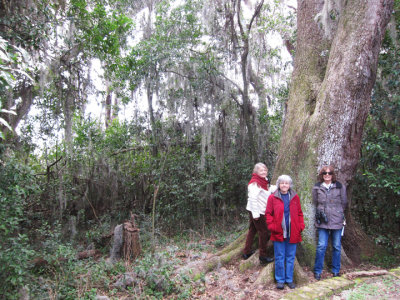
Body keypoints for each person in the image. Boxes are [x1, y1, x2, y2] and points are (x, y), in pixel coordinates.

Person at [266, 175, 305, 290]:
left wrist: (300, 226)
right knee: (279, 256)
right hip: (278, 232)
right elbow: (268, 214)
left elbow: (299, 213)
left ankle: (289, 279)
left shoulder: (294, 197)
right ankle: (280, 280)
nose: (284, 185)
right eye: (282, 183)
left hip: (293, 232)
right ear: (279, 184)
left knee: (290, 257)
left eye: (286, 183)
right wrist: (272, 226)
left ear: (289, 185)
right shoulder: (273, 197)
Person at [313, 165, 347, 280]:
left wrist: (337, 212)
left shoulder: (339, 186)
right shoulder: (317, 187)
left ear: (333, 175)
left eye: (329, 173)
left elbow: (344, 202)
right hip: (322, 220)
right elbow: (315, 201)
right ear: (322, 175)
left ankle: (336, 270)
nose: (327, 175)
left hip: (337, 220)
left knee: (336, 246)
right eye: (325, 173)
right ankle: (318, 271)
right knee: (321, 246)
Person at [243, 163, 275, 265]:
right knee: (263, 232)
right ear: (256, 172)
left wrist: (280, 185)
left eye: (265, 170)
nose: (264, 172)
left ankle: (246, 252)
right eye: (261, 170)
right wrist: (256, 214)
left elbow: (268, 189)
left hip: (258, 210)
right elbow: (253, 198)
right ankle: (263, 256)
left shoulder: (264, 181)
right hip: (257, 211)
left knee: (252, 230)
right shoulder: (255, 183)